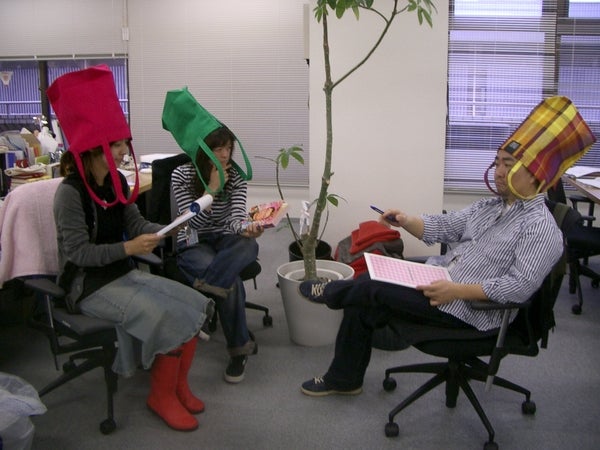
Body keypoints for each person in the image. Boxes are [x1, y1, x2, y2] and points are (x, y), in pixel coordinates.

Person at [298, 96, 596, 396]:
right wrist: (406, 220)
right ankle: (345, 378)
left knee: (369, 288)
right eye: (497, 163)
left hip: (470, 311)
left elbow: (518, 287)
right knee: (373, 274)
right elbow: (447, 226)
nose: (498, 171)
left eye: (508, 165)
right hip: (442, 279)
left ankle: (331, 294)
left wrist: (457, 291)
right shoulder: (491, 207)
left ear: (536, 174)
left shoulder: (541, 228)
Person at [47, 65, 214, 432]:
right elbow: (79, 254)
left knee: (191, 302)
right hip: (88, 286)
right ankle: (161, 396)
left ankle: (178, 386)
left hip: (122, 274)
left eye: (125, 142)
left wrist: (170, 228)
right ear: (95, 149)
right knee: (166, 317)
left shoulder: (118, 183)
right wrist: (128, 248)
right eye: (118, 144)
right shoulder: (69, 195)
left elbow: (137, 226)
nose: (125, 150)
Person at [163, 88, 263, 384]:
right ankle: (239, 350)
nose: (224, 154)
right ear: (203, 150)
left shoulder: (237, 177)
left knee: (249, 244)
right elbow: (191, 223)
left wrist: (246, 227)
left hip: (225, 239)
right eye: (218, 148)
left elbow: (234, 219)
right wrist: (212, 190)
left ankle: (208, 296)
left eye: (228, 148)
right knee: (231, 281)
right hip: (193, 240)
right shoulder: (181, 175)